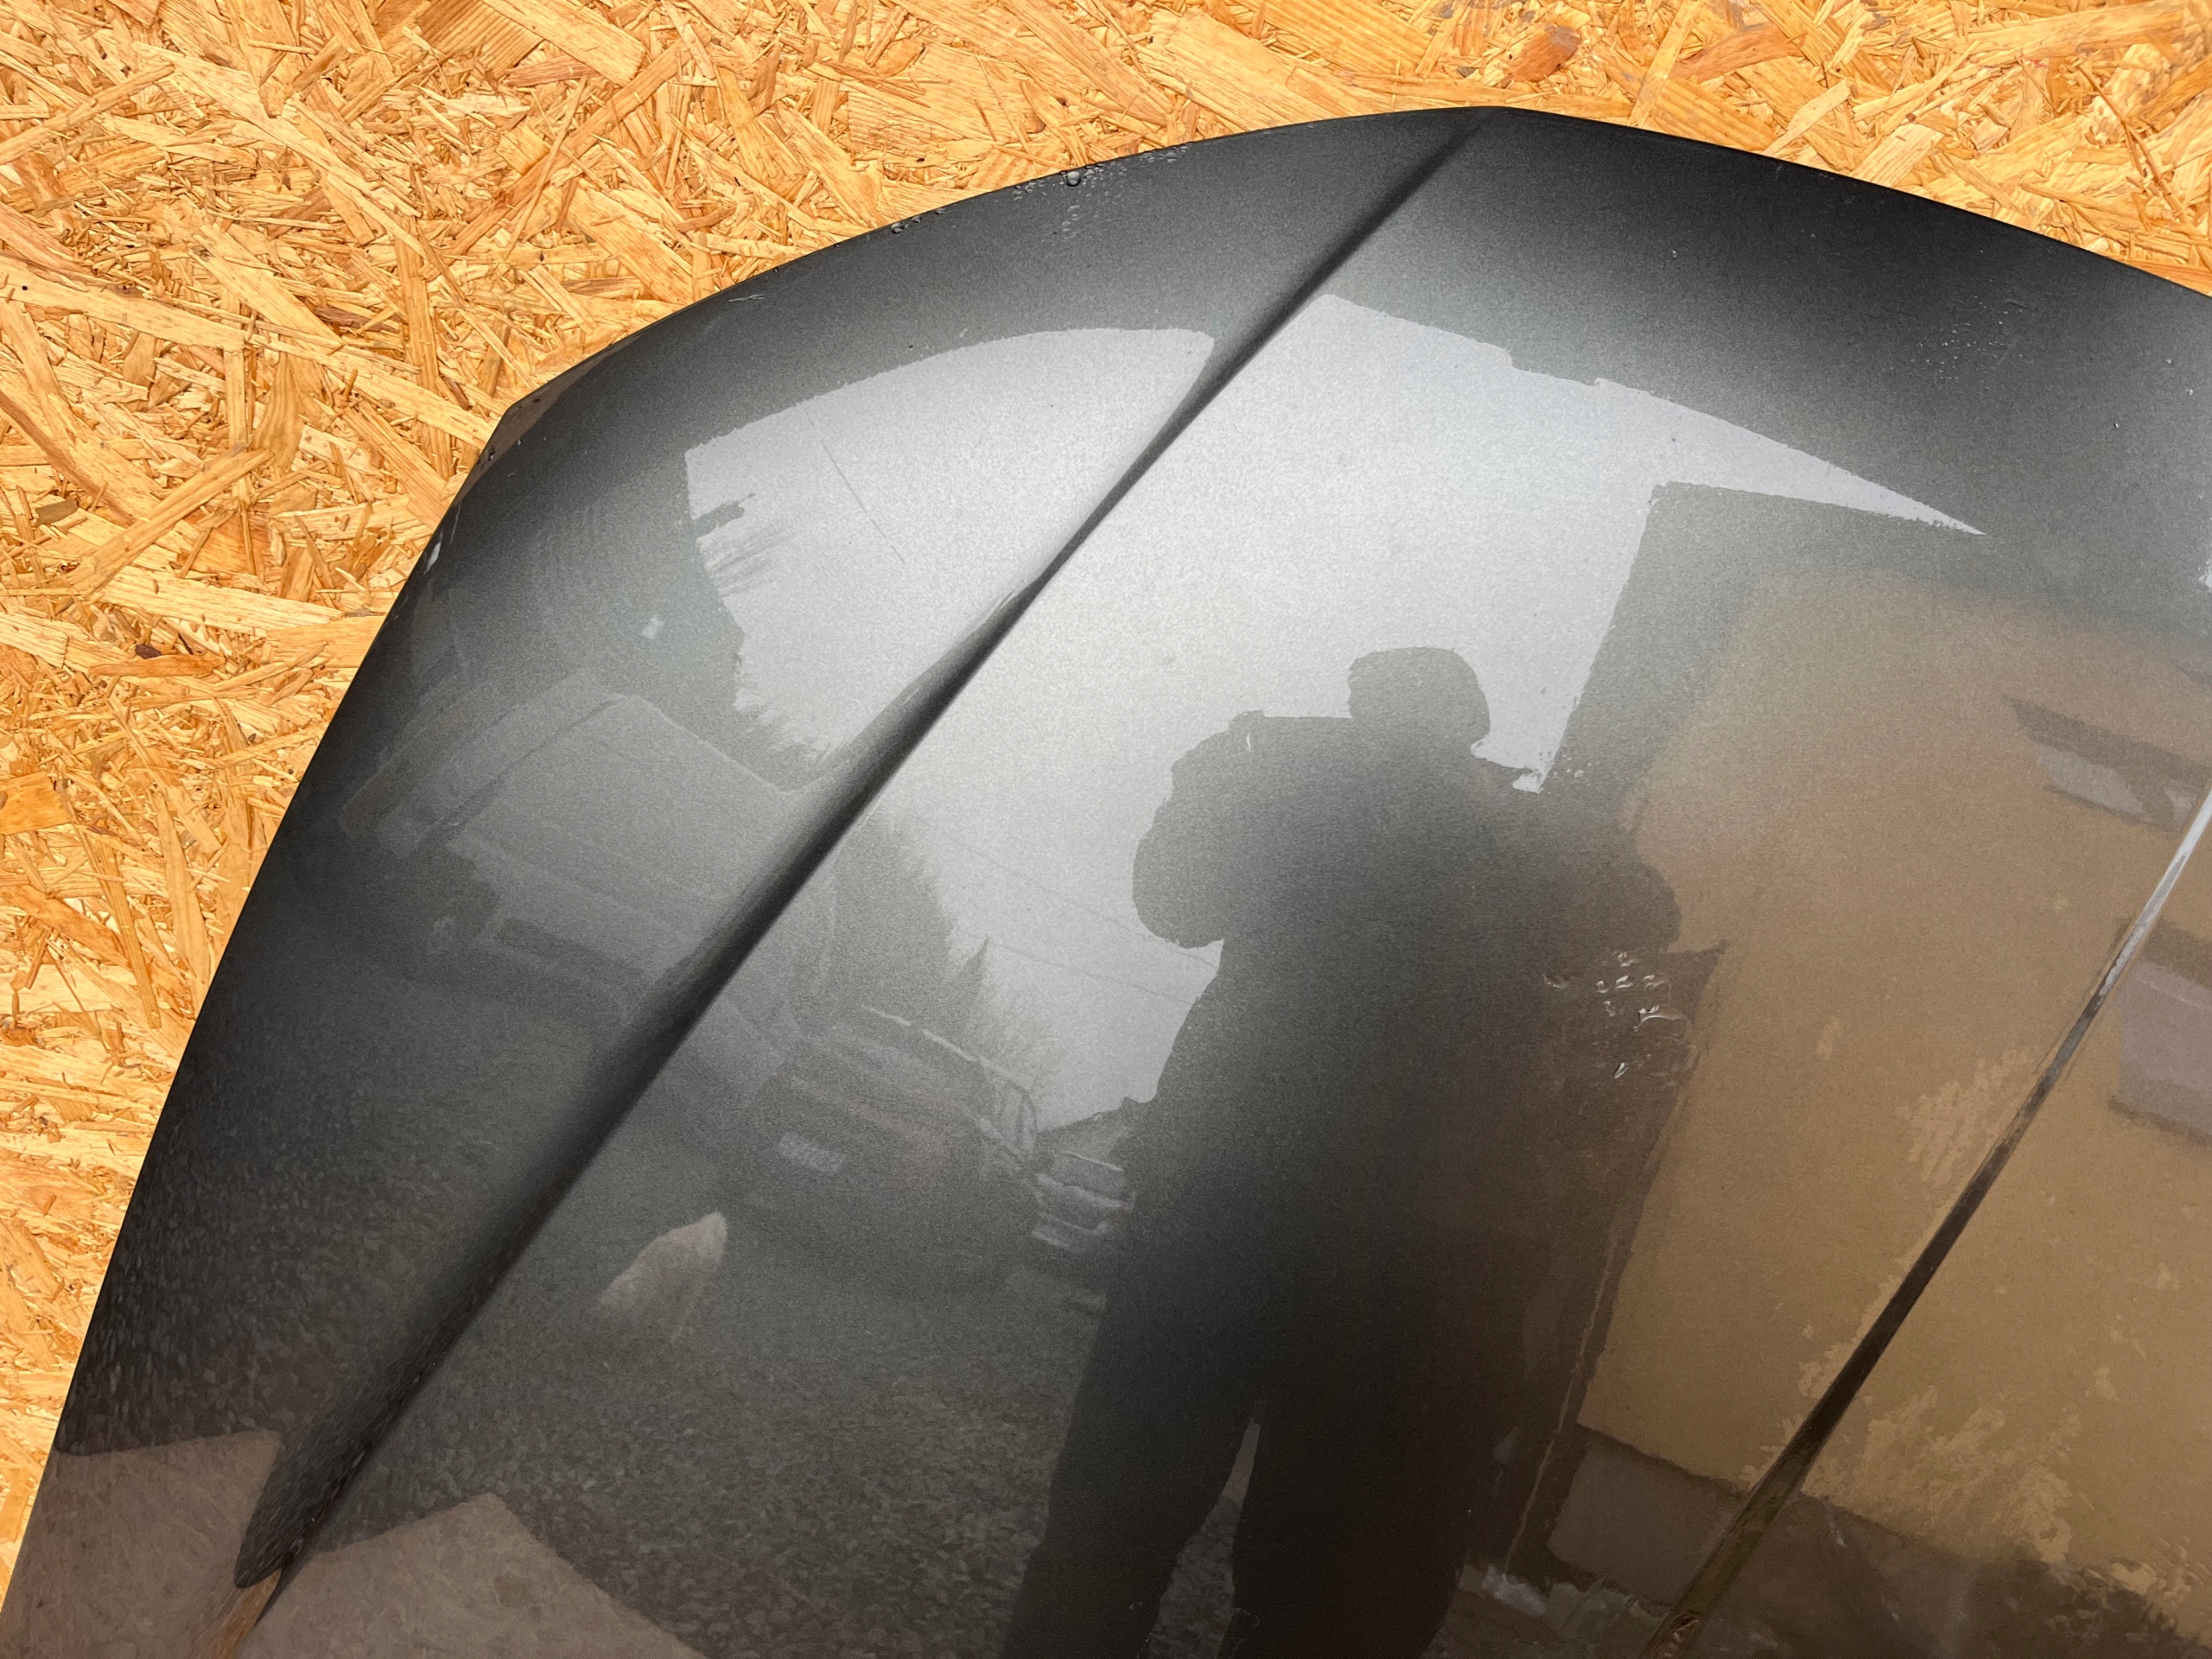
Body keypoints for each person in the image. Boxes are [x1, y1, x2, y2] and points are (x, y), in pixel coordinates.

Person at [1001, 648, 1677, 1659]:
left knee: (1122, 1510)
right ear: (1470, 729)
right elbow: (1643, 916)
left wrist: (1223, 776)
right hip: (1404, 1241)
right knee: (1318, 1572)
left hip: (1252, 1200)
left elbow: (1171, 899)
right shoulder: (1503, 820)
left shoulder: (1299, 776)